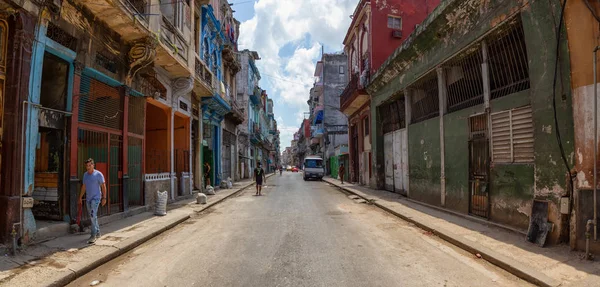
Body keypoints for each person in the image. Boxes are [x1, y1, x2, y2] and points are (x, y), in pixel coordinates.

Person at [79, 158, 107, 244]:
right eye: (87, 166)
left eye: (90, 165)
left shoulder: (98, 174)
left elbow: (103, 186)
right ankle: (98, 232)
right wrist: (80, 197)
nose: (88, 167)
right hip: (88, 199)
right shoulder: (85, 175)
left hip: (96, 198)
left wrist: (104, 198)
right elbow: (84, 187)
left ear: (93, 165)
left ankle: (93, 235)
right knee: (93, 216)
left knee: (92, 215)